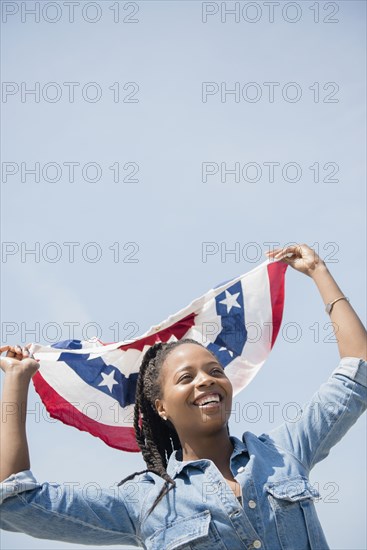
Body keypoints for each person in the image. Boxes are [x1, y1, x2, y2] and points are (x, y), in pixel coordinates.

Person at [0, 243, 366, 550]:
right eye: (186, 377)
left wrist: (319, 271)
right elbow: (15, 502)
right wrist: (16, 381)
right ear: (160, 407)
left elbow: (357, 376)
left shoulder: (284, 451)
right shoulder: (142, 502)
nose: (206, 381)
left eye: (215, 371)